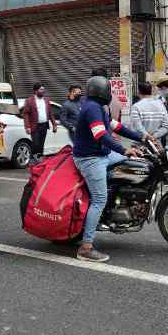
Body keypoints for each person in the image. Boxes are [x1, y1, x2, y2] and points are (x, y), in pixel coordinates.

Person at [71, 76, 146, 263]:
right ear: (101, 92)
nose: (110, 93)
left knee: (134, 163)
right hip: (90, 158)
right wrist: (123, 149)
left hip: (102, 154)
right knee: (99, 199)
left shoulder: (101, 108)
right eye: (108, 90)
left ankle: (118, 199)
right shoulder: (91, 108)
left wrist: (142, 138)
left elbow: (116, 126)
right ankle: (86, 247)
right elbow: (101, 135)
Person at [23, 82, 57, 161]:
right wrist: (27, 126)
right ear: (35, 90)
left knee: (41, 144)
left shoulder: (46, 100)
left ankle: (39, 160)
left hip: (44, 125)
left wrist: (54, 124)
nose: (43, 91)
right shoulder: (29, 100)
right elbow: (25, 114)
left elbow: (50, 113)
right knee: (36, 143)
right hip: (35, 126)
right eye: (41, 89)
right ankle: (33, 159)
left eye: (43, 89)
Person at [129, 81, 168, 146]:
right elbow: (167, 126)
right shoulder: (161, 105)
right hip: (156, 144)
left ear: (138, 92)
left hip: (139, 145)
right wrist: (154, 136)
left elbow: (137, 127)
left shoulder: (136, 107)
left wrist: (147, 136)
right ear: (151, 92)